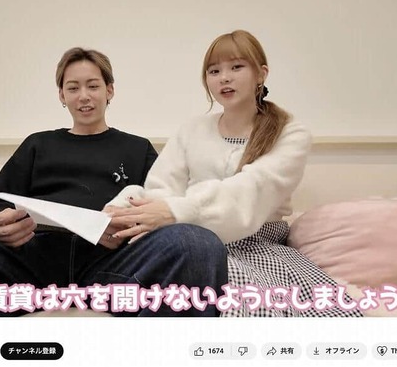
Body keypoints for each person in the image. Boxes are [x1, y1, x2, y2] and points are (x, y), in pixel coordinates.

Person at [0, 47, 228, 317]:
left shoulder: (137, 148)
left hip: (110, 269)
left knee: (197, 244)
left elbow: (159, 205)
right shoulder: (38, 144)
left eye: (93, 85)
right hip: (25, 268)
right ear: (61, 95)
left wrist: (130, 226)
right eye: (73, 87)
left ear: (110, 90)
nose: (84, 96)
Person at [105, 30, 363, 317]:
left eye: (236, 67)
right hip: (188, 239)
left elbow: (252, 188)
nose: (224, 78)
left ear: (261, 74)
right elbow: (161, 189)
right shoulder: (192, 129)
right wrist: (129, 207)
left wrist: (177, 211)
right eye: (214, 71)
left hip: (259, 246)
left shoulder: (291, 133)